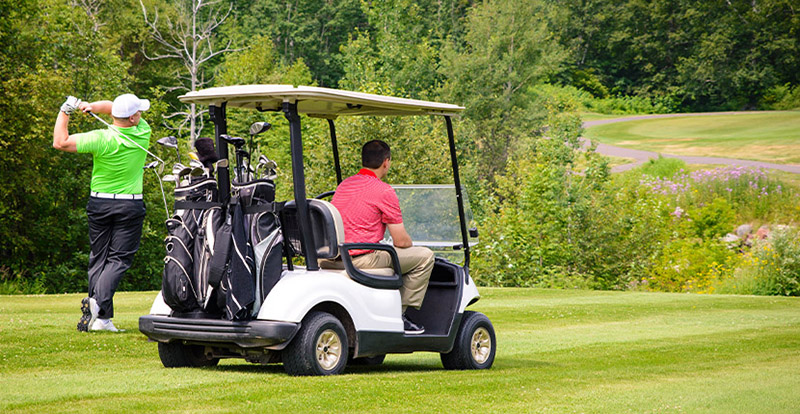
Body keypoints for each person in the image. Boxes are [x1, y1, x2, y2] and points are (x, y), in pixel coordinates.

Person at [53, 94, 152, 332]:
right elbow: (114, 111)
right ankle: (98, 304)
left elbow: (60, 142)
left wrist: (66, 111)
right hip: (129, 205)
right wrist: (93, 107)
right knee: (119, 259)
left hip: (99, 203)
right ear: (133, 117)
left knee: (99, 257)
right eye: (139, 111)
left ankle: (102, 319)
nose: (141, 114)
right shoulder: (142, 132)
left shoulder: (100, 138)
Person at [331, 140, 434, 334]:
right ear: (386, 162)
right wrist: (412, 244)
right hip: (361, 259)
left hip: (334, 256)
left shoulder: (345, 185)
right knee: (425, 257)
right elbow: (401, 241)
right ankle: (399, 315)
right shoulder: (384, 191)